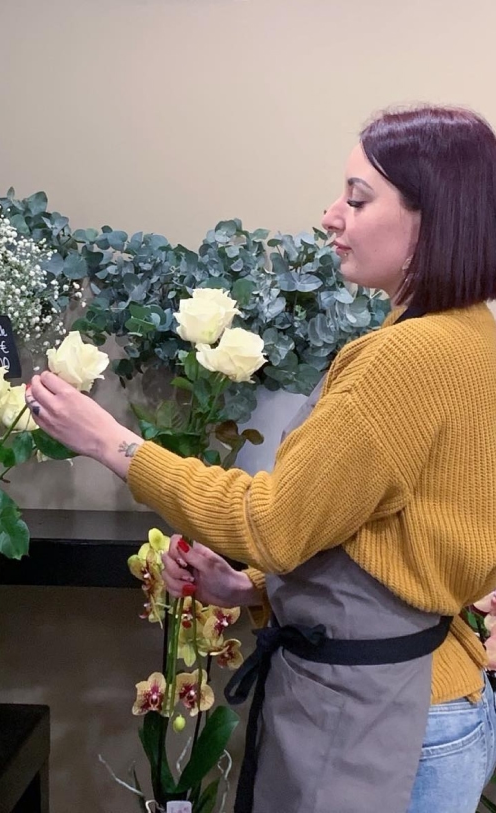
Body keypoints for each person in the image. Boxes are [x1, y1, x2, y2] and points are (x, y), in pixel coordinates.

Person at [26, 105, 496, 813]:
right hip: (429, 696)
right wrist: (254, 590)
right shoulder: (469, 335)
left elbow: (272, 523)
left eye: (357, 199)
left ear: (432, 219)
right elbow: (395, 537)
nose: (330, 216)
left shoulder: (403, 358)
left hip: (385, 724)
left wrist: (111, 443)